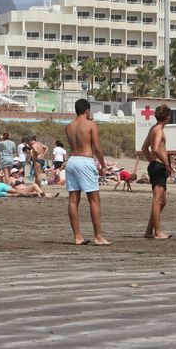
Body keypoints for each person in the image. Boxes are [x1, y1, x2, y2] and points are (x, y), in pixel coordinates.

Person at [65, 98, 110, 246]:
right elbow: (96, 147)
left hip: (71, 161)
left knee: (73, 199)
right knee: (94, 199)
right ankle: (98, 236)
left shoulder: (69, 126)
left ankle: (77, 237)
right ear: (87, 110)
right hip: (84, 160)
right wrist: (103, 165)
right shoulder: (91, 125)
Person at [141, 104, 173, 239]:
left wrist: (151, 162)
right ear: (166, 116)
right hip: (159, 166)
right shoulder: (159, 129)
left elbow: (144, 148)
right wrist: (166, 164)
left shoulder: (153, 129)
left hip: (156, 165)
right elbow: (154, 148)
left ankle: (149, 231)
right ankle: (158, 232)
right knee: (157, 200)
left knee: (163, 200)